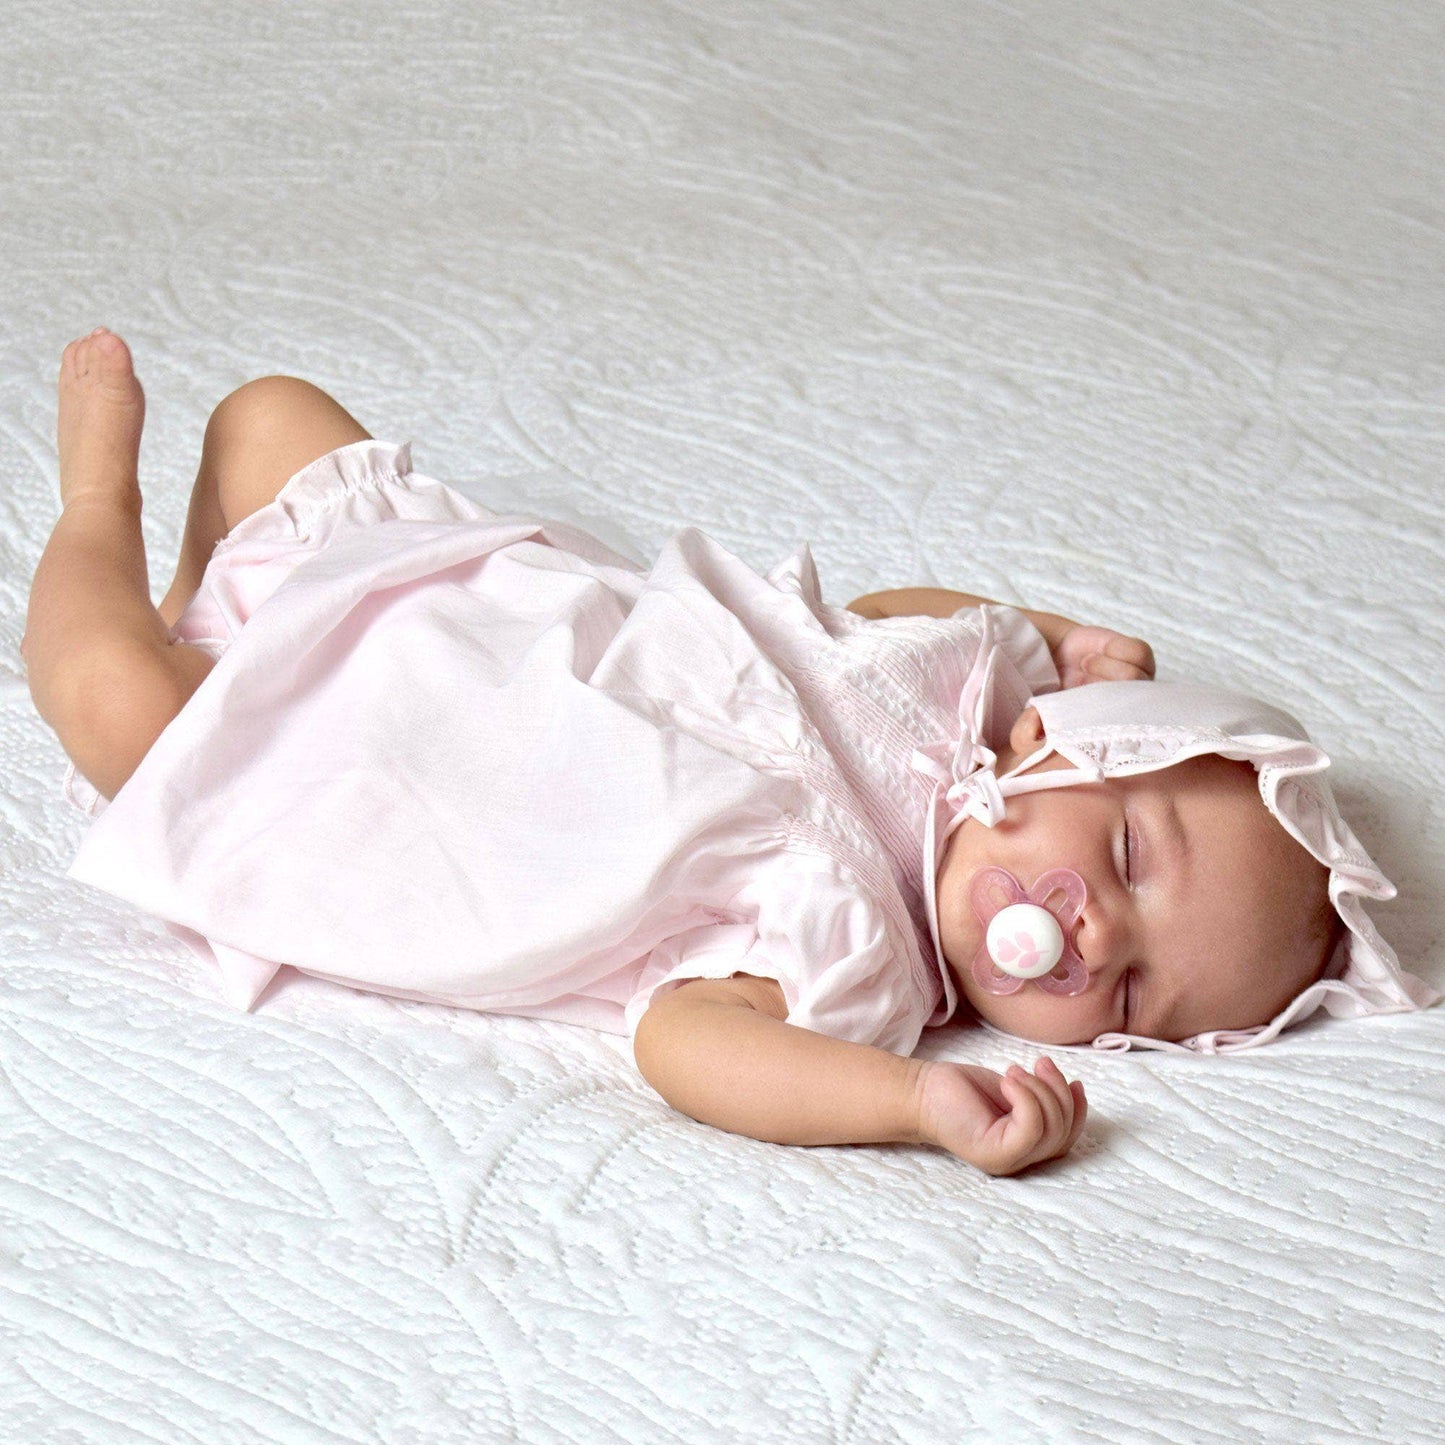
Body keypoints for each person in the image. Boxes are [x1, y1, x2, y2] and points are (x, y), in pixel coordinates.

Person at [24, 330, 1438, 1179]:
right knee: (274, 415)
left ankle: (97, 504)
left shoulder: (862, 960)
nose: (1083, 927)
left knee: (106, 703)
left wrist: (909, 1104)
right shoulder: (964, 680)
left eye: (1125, 983)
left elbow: (682, 1043)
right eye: (1124, 854)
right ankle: (203, 595)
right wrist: (1054, 635)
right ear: (1055, 746)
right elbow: (869, 617)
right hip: (500, 621)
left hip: (399, 761)